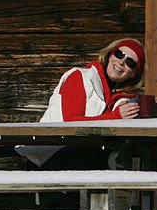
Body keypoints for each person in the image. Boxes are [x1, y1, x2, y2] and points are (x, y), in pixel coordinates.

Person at [18, 38, 146, 169]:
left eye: (130, 62)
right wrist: (115, 117)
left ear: (134, 73)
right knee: (99, 159)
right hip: (49, 152)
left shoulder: (121, 97)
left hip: (82, 153)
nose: (121, 62)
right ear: (110, 55)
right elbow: (72, 122)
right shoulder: (80, 77)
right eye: (119, 54)